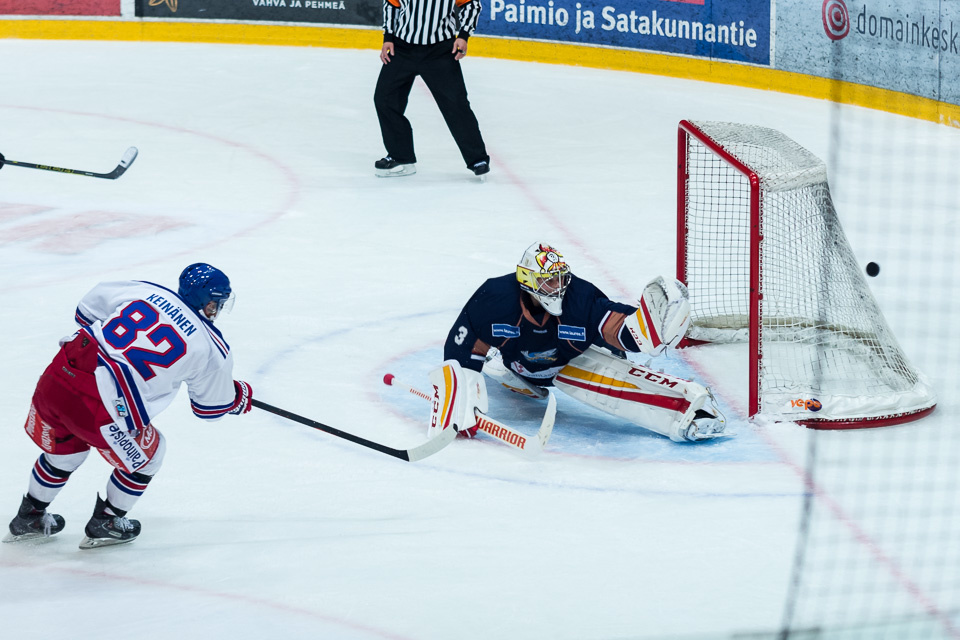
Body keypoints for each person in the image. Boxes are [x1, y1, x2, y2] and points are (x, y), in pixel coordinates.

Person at [3, 263, 253, 549]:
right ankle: (107, 521)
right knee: (152, 454)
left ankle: (29, 516)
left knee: (65, 451)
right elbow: (209, 408)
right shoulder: (211, 346)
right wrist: (235, 398)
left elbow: (85, 312)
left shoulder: (144, 291)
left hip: (57, 377)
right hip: (99, 407)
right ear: (210, 304)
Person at [430, 243, 727, 443]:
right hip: (521, 367)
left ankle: (691, 408)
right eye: (549, 281)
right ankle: (515, 377)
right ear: (527, 280)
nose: (558, 287)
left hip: (572, 361)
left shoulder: (580, 298)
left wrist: (648, 331)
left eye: (560, 278)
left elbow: (619, 330)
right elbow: (464, 349)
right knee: (512, 369)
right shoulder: (494, 298)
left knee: (608, 383)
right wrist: (459, 401)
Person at [373, 0, 490, 178]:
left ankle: (477, 159)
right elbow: (392, 4)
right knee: (384, 99)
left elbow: (472, 5)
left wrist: (464, 35)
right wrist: (388, 37)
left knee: (456, 104)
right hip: (402, 48)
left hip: (440, 51)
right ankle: (401, 156)